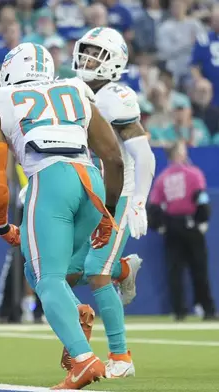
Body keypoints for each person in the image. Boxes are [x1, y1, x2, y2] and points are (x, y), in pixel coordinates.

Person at [0, 42, 125, 389]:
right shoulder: (75, 87)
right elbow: (114, 158)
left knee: (47, 278)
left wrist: (0, 224)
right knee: (36, 266)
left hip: (50, 180)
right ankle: (75, 311)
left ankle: (84, 360)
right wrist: (109, 213)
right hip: (91, 181)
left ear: (11, 70)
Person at [64, 26, 158, 378]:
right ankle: (125, 269)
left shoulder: (116, 96)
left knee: (96, 271)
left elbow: (143, 154)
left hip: (119, 194)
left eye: (96, 53)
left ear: (114, 61)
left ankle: (121, 358)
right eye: (85, 51)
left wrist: (139, 201)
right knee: (67, 273)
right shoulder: (73, 90)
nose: (87, 59)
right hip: (90, 194)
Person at [148, 142, 215, 321]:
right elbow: (200, 196)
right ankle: (206, 309)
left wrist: (160, 225)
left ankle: (179, 311)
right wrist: (202, 220)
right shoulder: (193, 173)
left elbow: (154, 206)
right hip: (191, 224)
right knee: (199, 269)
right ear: (178, 154)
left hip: (171, 227)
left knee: (175, 271)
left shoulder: (163, 178)